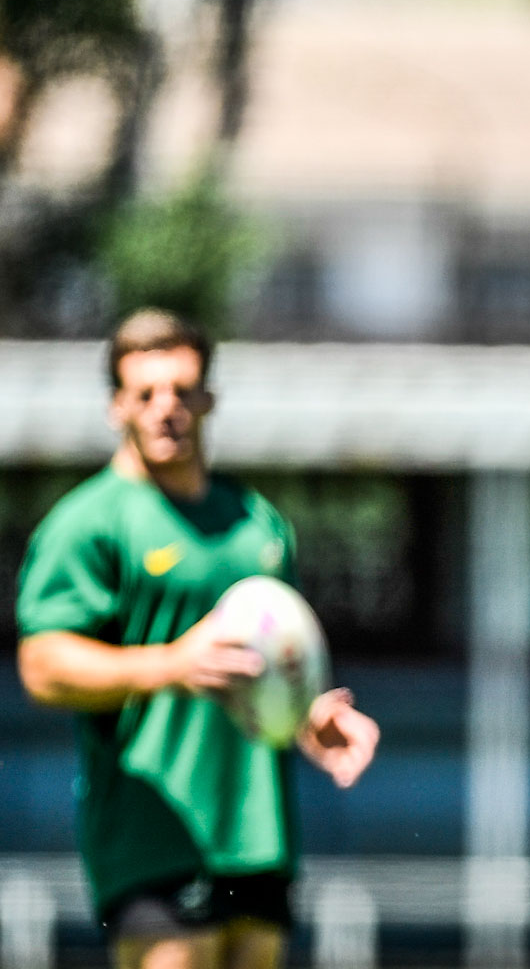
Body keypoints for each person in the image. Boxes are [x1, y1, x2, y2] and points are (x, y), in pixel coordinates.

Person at [14, 308, 380, 969]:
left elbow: (273, 668)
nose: (167, 409)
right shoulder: (88, 523)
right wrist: (170, 663)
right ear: (116, 407)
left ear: (209, 399)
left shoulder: (256, 522)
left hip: (258, 834)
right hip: (155, 834)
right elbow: (43, 666)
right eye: (146, 394)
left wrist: (309, 717)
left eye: (182, 391)